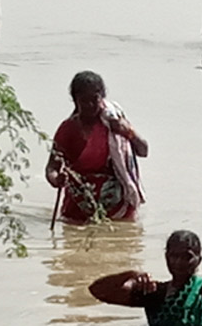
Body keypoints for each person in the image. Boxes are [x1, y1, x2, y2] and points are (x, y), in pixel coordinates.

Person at [46, 71, 148, 224]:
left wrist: (128, 132)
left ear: (102, 98)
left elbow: (144, 150)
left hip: (117, 208)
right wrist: (56, 180)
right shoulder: (68, 130)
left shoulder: (114, 123)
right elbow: (51, 167)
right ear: (75, 100)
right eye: (84, 101)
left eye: (95, 99)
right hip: (79, 207)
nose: (90, 106)